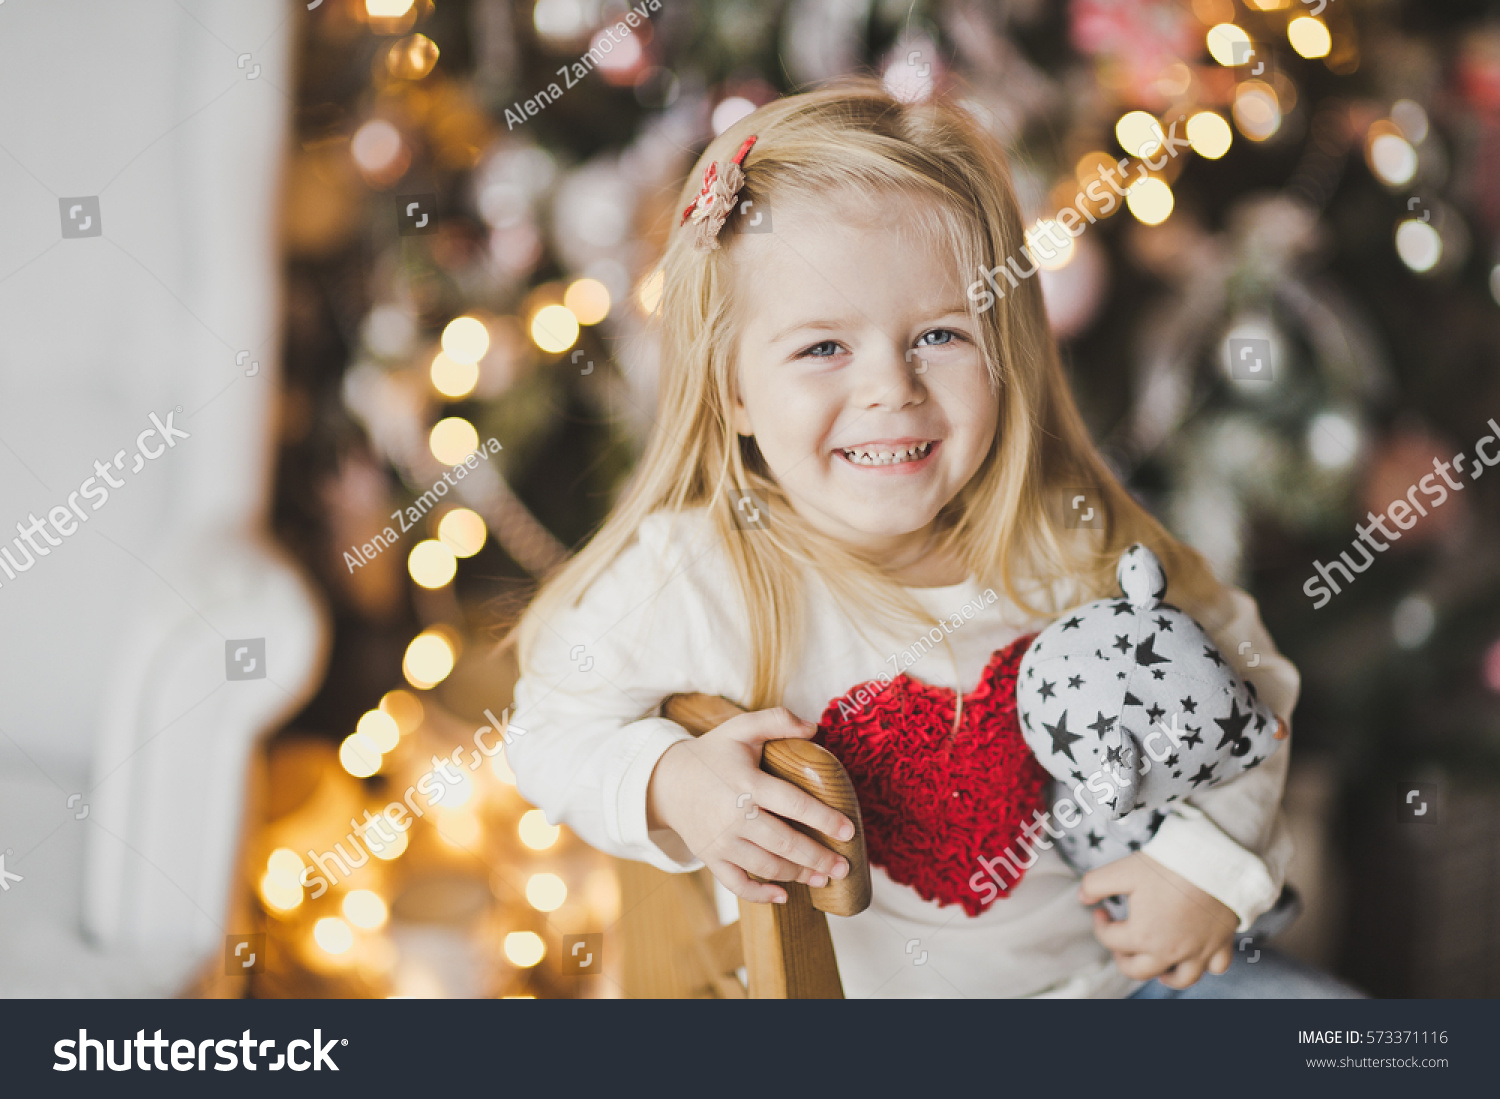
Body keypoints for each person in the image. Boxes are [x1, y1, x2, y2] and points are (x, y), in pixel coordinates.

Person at [505, 80, 1359, 998]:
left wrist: (1207, 866)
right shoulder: (705, 574)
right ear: (735, 390)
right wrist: (672, 781)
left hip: (1135, 984)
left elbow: (1249, 692)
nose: (891, 389)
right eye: (823, 348)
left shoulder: (1063, 534)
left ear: (1008, 348)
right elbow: (545, 731)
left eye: (942, 335)